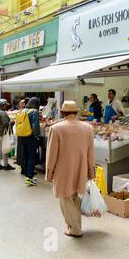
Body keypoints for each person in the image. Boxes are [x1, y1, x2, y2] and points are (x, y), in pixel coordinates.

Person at [45, 101, 95, 238]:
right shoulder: (88, 128)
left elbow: (51, 154)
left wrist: (49, 173)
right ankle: (75, 225)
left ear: (62, 112)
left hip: (63, 170)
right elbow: (91, 153)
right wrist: (91, 171)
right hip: (81, 169)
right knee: (74, 197)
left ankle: (75, 230)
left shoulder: (56, 128)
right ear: (76, 112)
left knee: (65, 198)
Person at [18, 97, 40, 187]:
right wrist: (37, 136)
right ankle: (29, 177)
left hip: (22, 136)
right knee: (32, 156)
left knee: (26, 155)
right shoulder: (34, 111)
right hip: (31, 137)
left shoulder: (22, 111)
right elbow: (35, 126)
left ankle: (27, 175)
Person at [0, 99, 15, 171]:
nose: (6, 106)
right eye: (5, 105)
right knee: (5, 148)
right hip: (3, 133)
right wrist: (12, 122)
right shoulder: (3, 113)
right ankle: (5, 165)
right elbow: (5, 124)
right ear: (3, 105)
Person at [16, 97, 29, 171]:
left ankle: (23, 166)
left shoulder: (20, 112)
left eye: (23, 103)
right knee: (23, 151)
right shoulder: (24, 112)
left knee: (22, 150)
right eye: (21, 103)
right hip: (24, 133)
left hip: (20, 133)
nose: (21, 104)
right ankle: (23, 167)